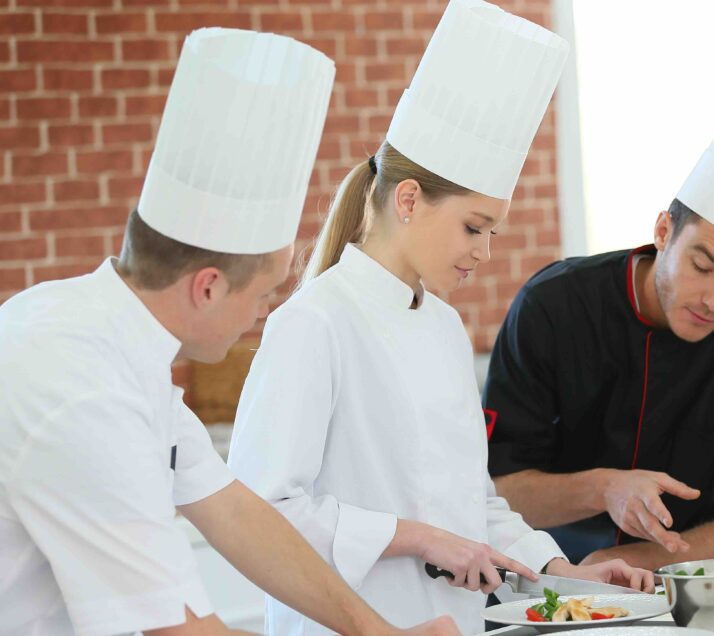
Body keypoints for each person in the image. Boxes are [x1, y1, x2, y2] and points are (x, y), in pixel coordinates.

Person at [0, 28, 456, 635]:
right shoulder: (83, 391)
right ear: (208, 286)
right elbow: (184, 632)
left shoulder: (108, 341)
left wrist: (377, 632)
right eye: (263, 291)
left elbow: (237, 513)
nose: (266, 313)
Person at [226, 2, 653, 634]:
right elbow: (261, 515)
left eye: (493, 232)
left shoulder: (445, 329)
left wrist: (562, 569)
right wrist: (414, 537)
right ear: (408, 200)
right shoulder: (315, 323)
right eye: (474, 227)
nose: (485, 251)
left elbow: (474, 505)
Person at [482, 30, 714, 569]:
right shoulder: (554, 306)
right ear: (663, 231)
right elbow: (496, 491)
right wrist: (603, 488)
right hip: (545, 584)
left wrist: (641, 563)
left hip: (686, 587)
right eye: (704, 265)